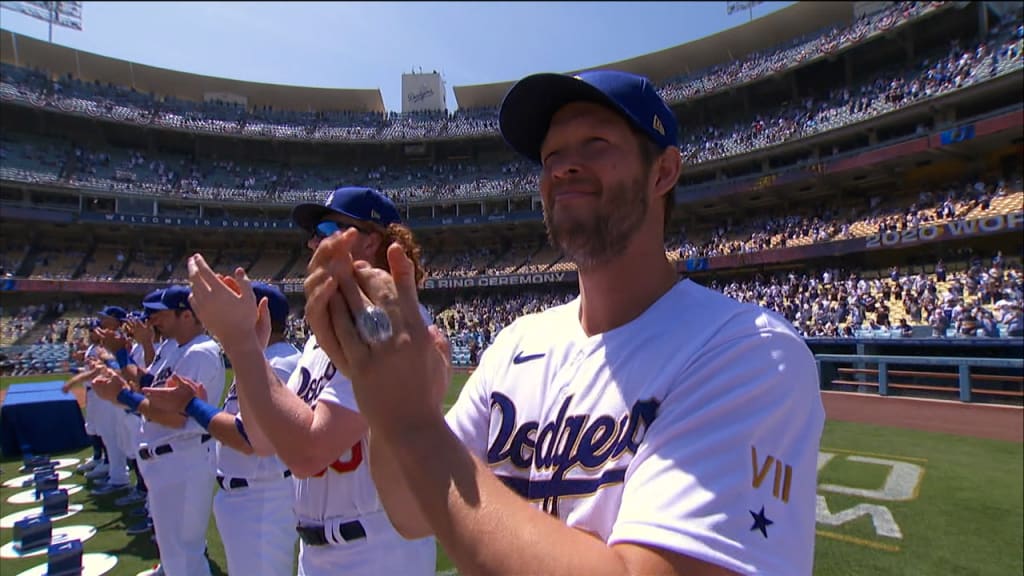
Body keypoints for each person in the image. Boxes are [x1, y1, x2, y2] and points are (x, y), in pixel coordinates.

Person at [299, 71, 825, 575]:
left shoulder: (748, 352)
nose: (563, 167)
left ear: (663, 171)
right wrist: (382, 396)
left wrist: (412, 421)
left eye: (595, 143)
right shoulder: (515, 345)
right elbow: (411, 510)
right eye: (552, 155)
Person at [183, 186, 436, 575]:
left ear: (369, 241)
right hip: (319, 548)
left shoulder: (396, 325)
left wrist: (240, 345)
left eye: (326, 227)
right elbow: (266, 438)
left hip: (379, 547)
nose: (312, 241)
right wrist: (247, 346)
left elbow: (310, 451)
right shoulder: (325, 336)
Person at [143, 282, 301, 576]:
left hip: (262, 495)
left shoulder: (278, 363)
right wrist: (205, 408)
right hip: (248, 492)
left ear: (258, 314)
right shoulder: (263, 356)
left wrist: (193, 406)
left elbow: (246, 438)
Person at [91, 285, 225, 576]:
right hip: (169, 457)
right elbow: (149, 383)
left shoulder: (200, 352)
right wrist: (122, 357)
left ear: (187, 315)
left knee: (186, 557)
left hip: (184, 456)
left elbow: (175, 416)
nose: (152, 321)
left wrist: (123, 397)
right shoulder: (177, 348)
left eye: (160, 315)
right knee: (173, 549)